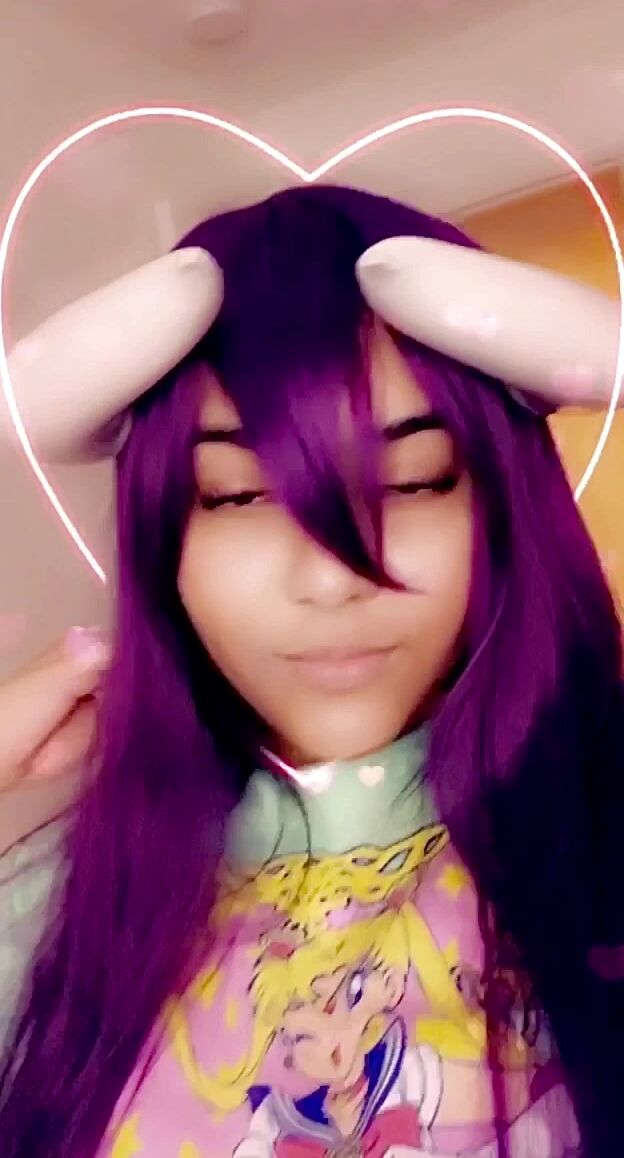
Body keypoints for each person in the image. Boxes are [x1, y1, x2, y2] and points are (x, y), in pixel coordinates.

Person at [0, 184, 622, 1158]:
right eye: (237, 494)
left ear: (501, 504)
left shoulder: (603, 835)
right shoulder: (57, 914)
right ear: (163, 533)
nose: (331, 578)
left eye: (414, 481)